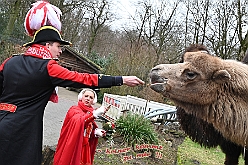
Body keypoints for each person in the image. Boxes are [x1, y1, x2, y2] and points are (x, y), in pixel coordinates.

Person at [0, 25, 144, 165]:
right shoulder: (49, 67)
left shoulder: (9, 61)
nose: (61, 51)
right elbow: (83, 78)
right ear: (47, 45)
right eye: (58, 46)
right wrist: (120, 80)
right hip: (24, 130)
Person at [53, 88, 109, 165]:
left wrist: (95, 132)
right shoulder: (74, 109)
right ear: (81, 97)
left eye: (91, 97)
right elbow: (80, 122)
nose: (88, 99)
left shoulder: (90, 112)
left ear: (93, 101)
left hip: (84, 148)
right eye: (86, 96)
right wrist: (94, 114)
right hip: (73, 146)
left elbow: (86, 129)